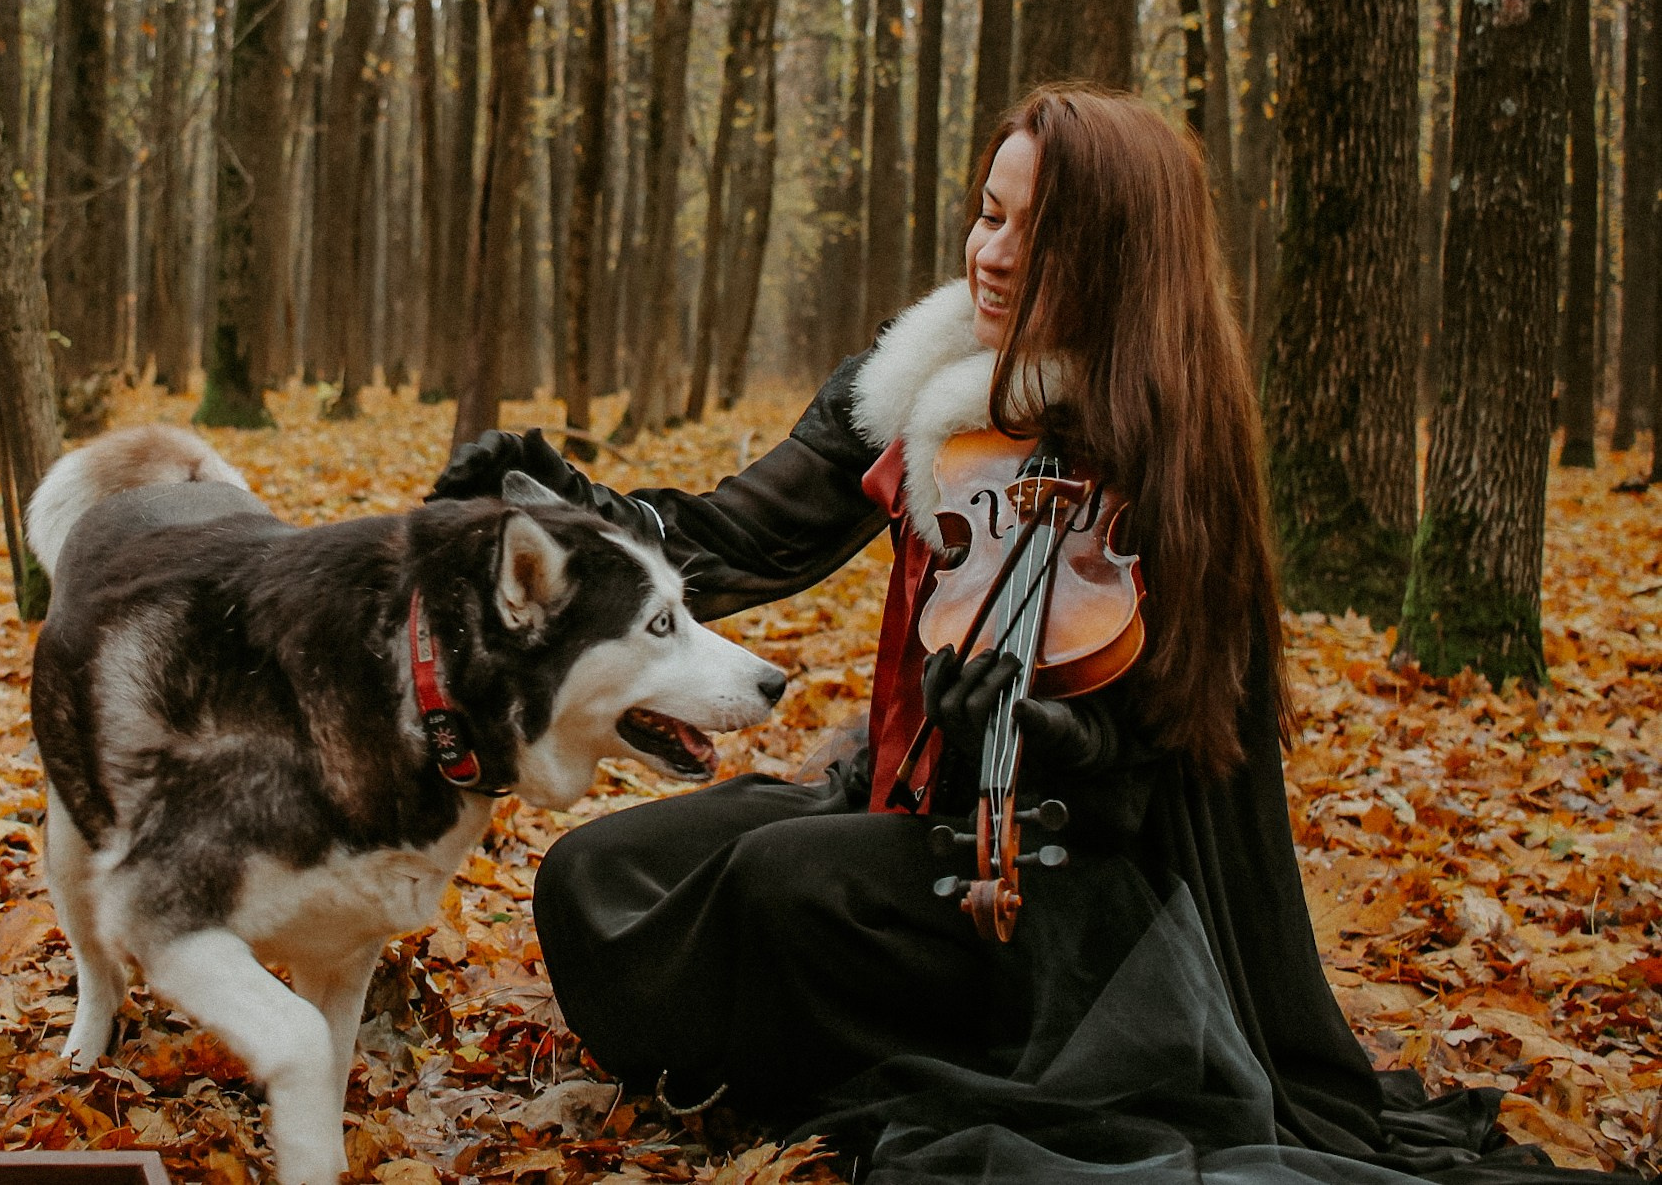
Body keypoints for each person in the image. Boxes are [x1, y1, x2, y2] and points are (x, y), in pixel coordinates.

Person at [432, 88, 1583, 1182]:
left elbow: (1156, 764)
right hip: (902, 802)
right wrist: (563, 506)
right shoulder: (912, 382)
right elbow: (735, 537)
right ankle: (810, 1028)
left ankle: (905, 1056)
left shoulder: (1159, 445)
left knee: (779, 883)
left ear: (1120, 258)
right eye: (989, 212)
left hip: (1052, 880)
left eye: (1038, 233)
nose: (990, 251)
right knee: (594, 872)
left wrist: (1043, 728)